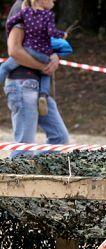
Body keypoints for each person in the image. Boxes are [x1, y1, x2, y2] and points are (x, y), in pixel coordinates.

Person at [4, 0, 69, 155]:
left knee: (59, 139)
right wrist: (43, 66)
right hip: (23, 84)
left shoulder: (42, 13)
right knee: (24, 152)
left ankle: (34, 167)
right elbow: (14, 50)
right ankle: (22, 168)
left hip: (39, 88)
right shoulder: (22, 7)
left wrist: (54, 56)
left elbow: (43, 42)